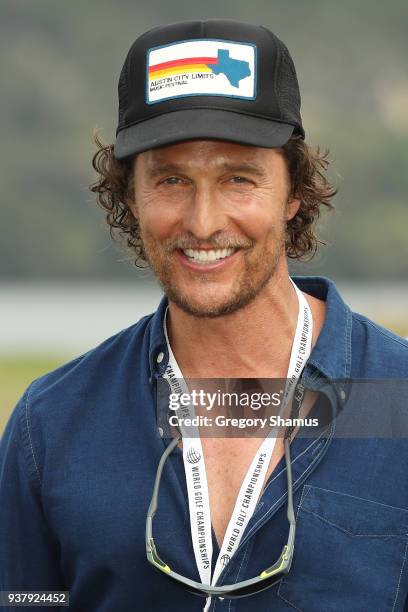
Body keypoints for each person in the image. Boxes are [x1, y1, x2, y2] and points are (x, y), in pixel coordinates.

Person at [1, 18, 408, 612]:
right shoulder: (54, 423)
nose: (202, 222)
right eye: (171, 179)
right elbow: (25, 601)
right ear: (129, 195)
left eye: (238, 178)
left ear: (293, 191)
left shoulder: (393, 399)